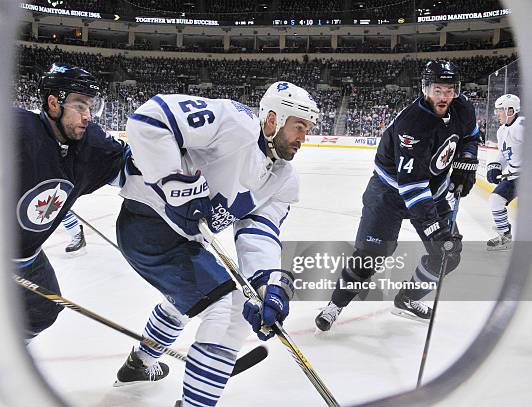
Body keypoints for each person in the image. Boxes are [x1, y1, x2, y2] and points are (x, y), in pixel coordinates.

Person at [0, 64, 129, 401]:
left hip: (26, 258)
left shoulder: (90, 145)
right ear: (52, 103)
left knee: (43, 310)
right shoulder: (14, 128)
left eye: (90, 106)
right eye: (79, 104)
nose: (87, 115)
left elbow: (131, 170)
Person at [114, 82, 319, 406]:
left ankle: (141, 362)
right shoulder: (233, 123)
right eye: (299, 126)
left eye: (308, 129)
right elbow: (149, 120)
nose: (303, 137)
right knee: (231, 309)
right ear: (272, 119)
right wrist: (174, 183)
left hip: (183, 240)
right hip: (147, 223)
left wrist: (267, 285)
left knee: (193, 297)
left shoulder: (283, 178)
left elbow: (258, 233)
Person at [315, 60, 479, 330]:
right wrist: (433, 225)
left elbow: (471, 136)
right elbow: (412, 185)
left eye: (449, 90)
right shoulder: (412, 124)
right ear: (426, 88)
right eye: (438, 90)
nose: (444, 97)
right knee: (371, 254)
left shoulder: (463, 108)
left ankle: (407, 298)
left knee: (448, 254)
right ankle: (336, 304)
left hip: (434, 192)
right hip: (389, 194)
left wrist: (467, 160)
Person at [486, 94, 524, 251]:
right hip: (515, 176)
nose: (497, 113)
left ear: (511, 110)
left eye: (500, 110)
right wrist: (495, 166)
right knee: (496, 199)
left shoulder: (523, 126)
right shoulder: (502, 131)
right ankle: (505, 236)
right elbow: (503, 154)